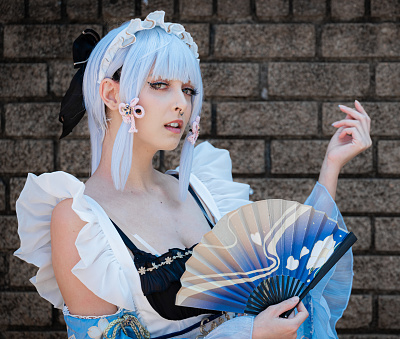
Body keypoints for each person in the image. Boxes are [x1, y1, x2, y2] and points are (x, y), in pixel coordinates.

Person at [14, 10, 371, 339]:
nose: (181, 103)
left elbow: (294, 273)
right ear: (111, 93)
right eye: (160, 85)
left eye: (188, 90)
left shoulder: (203, 191)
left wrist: (331, 165)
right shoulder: (81, 222)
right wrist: (246, 334)